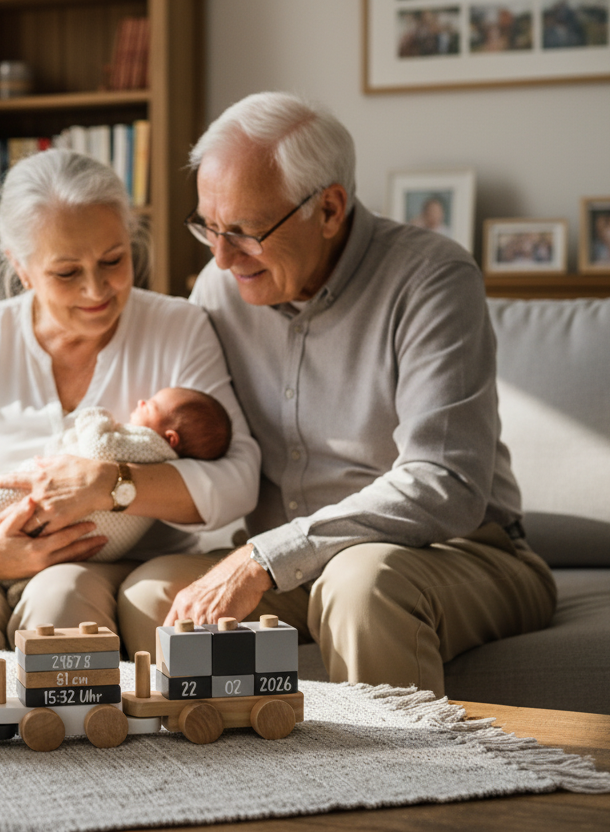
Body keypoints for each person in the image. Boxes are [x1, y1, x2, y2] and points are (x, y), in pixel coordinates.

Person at [116, 92, 557, 698]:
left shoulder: (432, 278)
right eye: (209, 228)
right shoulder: (220, 289)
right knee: (150, 593)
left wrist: (265, 558)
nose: (220, 257)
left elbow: (445, 483)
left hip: (454, 551)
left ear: (328, 209)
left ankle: (397, 764)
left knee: (360, 582)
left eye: (244, 232)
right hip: (293, 567)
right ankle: (239, 757)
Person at [0, 149, 259, 649]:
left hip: (118, 562)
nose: (96, 289)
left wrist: (111, 485)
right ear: (21, 267)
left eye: (113, 260)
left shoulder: (178, 328)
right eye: (67, 272)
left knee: (61, 596)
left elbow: (238, 478)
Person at [0, 388, 232, 606]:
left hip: (54, 512)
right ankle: (4, 567)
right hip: (81, 544)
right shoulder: (162, 465)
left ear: (170, 438)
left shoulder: (147, 446)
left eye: (150, 406)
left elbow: (99, 447)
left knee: (4, 492)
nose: (141, 401)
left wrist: (95, 418)